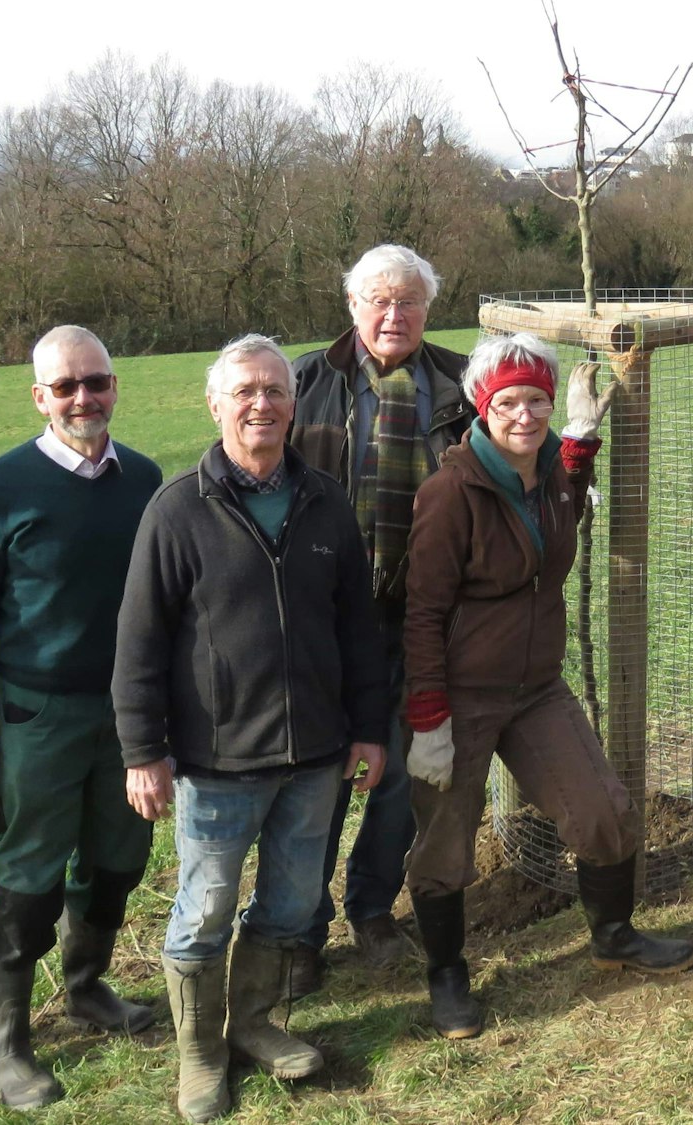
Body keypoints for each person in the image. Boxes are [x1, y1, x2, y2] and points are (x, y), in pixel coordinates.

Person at [113, 334, 389, 1123]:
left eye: (274, 389)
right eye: (245, 391)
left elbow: (358, 631)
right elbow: (138, 642)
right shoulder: (175, 510)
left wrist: (368, 729)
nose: (261, 403)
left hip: (315, 756)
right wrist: (143, 751)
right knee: (204, 908)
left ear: (293, 403)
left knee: (293, 902)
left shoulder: (326, 501)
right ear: (216, 403)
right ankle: (201, 1054)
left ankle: (256, 1022)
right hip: (216, 760)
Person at [400, 332, 693, 1040]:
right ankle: (446, 975)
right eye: (509, 401)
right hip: (462, 697)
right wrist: (430, 717)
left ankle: (614, 935)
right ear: (483, 404)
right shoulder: (451, 492)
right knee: (445, 846)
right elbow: (422, 612)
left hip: (536, 689)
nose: (526, 414)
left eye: (537, 399)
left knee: (603, 812)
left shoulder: (548, 480)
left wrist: (583, 437)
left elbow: (561, 506)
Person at [0, 325, 165, 1109]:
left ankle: (86, 982)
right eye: (65, 386)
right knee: (28, 877)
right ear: (38, 396)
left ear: (113, 386)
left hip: (130, 716)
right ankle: (7, 1041)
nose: (83, 398)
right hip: (39, 715)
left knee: (118, 859)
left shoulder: (144, 478)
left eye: (95, 382)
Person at [288, 244, 473, 988]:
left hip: (421, 620)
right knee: (319, 782)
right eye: (379, 300)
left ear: (429, 309)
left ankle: (371, 907)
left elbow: (517, 462)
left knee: (399, 777)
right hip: (325, 622)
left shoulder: (460, 383)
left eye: (409, 301)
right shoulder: (308, 379)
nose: (394, 314)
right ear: (353, 306)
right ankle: (299, 929)